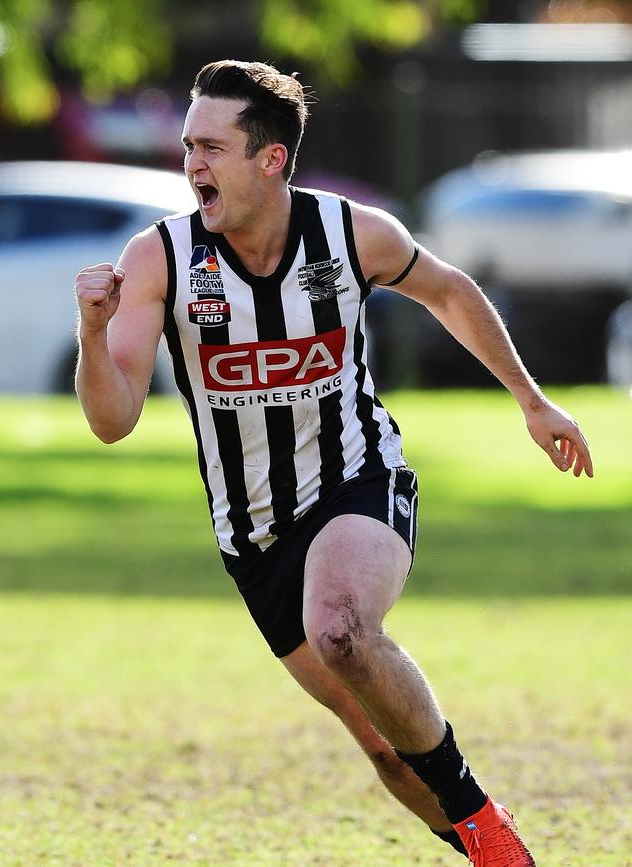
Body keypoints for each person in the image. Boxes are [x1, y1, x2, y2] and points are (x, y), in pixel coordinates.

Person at [75, 60, 593, 866]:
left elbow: (452, 291)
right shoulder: (161, 259)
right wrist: (90, 331)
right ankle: (489, 846)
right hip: (252, 538)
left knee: (342, 626)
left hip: (357, 477)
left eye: (211, 147)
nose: (192, 165)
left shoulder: (353, 234)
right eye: (188, 146)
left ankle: (493, 837)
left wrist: (532, 400)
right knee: (388, 752)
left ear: (271, 158)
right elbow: (113, 420)